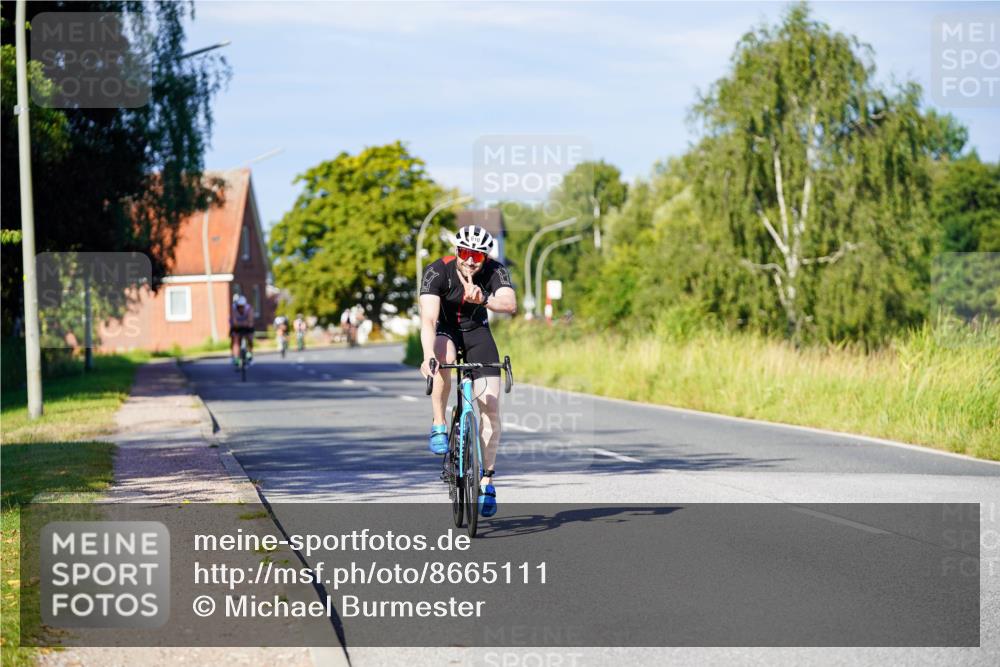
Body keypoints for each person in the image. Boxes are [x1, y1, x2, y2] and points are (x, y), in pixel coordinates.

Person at [419, 224, 517, 517]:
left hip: (477, 332)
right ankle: (439, 423)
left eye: (477, 255)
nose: (471, 260)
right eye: (465, 252)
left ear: (485, 256)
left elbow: (510, 303)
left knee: (490, 408)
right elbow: (428, 319)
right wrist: (427, 356)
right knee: (441, 355)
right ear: (457, 251)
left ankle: (487, 480)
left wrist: (484, 299)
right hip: (446, 331)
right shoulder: (437, 271)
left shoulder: (494, 271)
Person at [230, 295, 255, 367]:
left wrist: (247, 323)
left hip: (246, 326)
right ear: (237, 306)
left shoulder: (249, 308)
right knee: (235, 340)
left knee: (250, 338)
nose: (241, 308)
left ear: (245, 305)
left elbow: (250, 321)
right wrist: (243, 323)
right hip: (237, 327)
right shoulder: (234, 308)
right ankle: (236, 358)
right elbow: (234, 322)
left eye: (242, 306)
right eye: (239, 306)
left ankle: (249, 354)